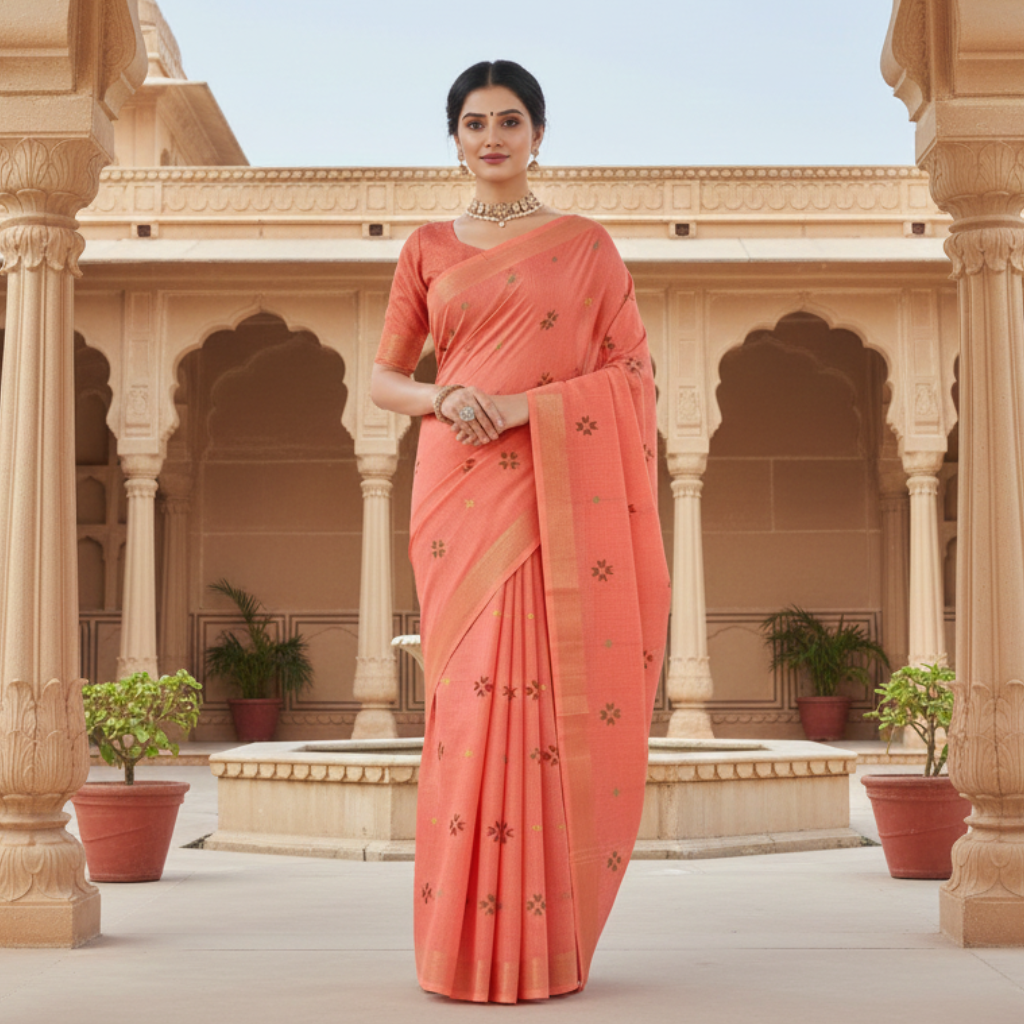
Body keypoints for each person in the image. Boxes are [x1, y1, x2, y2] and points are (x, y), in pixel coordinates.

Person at [370, 59, 671, 1004]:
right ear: (453, 138)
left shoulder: (586, 248)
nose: (491, 137)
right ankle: (458, 947)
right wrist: (446, 394)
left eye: (509, 120)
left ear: (540, 133)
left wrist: (522, 411)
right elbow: (382, 380)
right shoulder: (425, 247)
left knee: (545, 701)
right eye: (473, 123)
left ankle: (548, 942)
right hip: (458, 492)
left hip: (550, 490)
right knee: (465, 713)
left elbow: (631, 377)